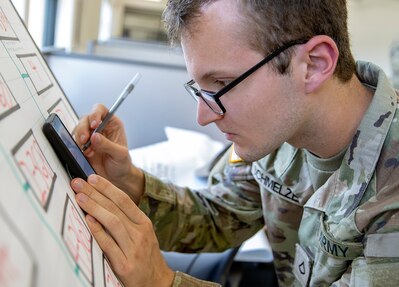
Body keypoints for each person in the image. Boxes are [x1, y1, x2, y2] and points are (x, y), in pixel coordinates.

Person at [70, 0, 399, 286]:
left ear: (313, 64)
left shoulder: (390, 194)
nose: (204, 116)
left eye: (222, 84)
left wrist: (161, 282)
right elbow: (220, 216)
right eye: (201, 87)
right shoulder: (278, 129)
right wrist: (127, 181)